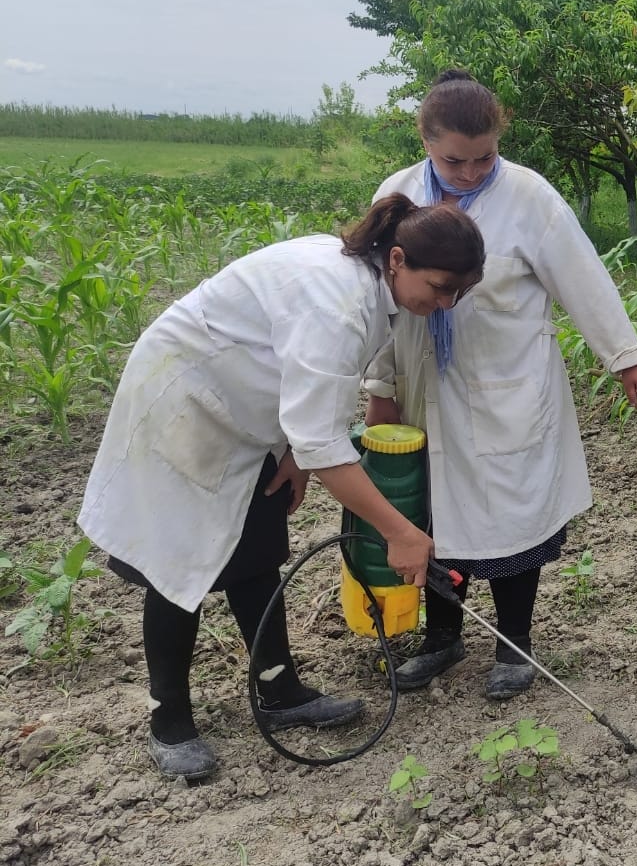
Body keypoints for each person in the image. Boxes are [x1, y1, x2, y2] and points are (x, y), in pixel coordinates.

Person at [78, 196, 485, 780]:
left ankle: (280, 690)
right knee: (175, 564)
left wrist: (291, 451)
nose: (444, 304)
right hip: (186, 402)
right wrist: (398, 531)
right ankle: (168, 720)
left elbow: (315, 405)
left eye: (457, 295)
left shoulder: (374, 287)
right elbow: (327, 445)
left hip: (247, 412)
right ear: (397, 258)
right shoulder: (338, 301)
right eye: (441, 287)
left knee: (258, 549)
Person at [364, 69, 637, 702]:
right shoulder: (398, 193)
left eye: (484, 158)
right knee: (431, 514)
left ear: (499, 141)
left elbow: (583, 280)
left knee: (512, 519)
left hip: (508, 385)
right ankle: (442, 638)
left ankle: (514, 645)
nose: (470, 173)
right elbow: (382, 301)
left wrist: (626, 356)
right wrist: (380, 386)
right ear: (425, 141)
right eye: (454, 161)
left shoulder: (529, 196)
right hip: (421, 387)